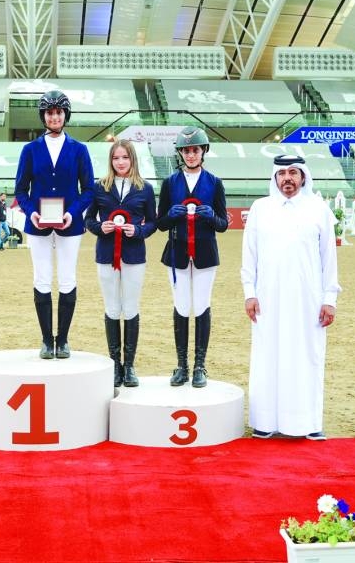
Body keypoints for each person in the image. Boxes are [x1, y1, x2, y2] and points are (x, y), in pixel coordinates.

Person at [241, 154, 340, 441]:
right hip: (267, 299)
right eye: (282, 173)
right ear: (274, 177)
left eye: (293, 173)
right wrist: (250, 293)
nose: (288, 178)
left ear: (303, 177)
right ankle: (265, 422)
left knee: (306, 356)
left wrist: (329, 298)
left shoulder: (318, 209)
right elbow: (250, 255)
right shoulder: (260, 209)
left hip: (308, 300)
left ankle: (308, 423)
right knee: (267, 355)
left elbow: (328, 259)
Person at [15, 89, 95, 360]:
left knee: (67, 278)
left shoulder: (79, 150)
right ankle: (47, 339)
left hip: (69, 225)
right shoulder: (30, 150)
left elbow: (89, 190)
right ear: (44, 116)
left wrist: (73, 213)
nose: (54, 116)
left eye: (59, 112)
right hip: (38, 224)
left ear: (65, 115)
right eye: (50, 112)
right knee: (42, 278)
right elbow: (20, 190)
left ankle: (64, 339)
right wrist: (31, 212)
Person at [156, 126, 228, 388]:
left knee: (201, 305)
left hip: (205, 253)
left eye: (195, 150)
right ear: (180, 154)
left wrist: (211, 216)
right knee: (181, 306)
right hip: (177, 252)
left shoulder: (215, 183)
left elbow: (223, 224)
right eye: (186, 151)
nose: (190, 155)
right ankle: (181, 365)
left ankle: (200, 365)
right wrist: (172, 215)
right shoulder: (169, 183)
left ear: (203, 152)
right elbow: (160, 223)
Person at [84, 139, 156, 387]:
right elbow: (89, 219)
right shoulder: (100, 187)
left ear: (132, 159)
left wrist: (137, 230)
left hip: (134, 256)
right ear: (111, 160)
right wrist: (99, 227)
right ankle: (115, 365)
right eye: (116, 158)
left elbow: (153, 223)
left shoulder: (144, 188)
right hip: (106, 255)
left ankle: (130, 367)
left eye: (125, 157)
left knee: (131, 307)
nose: (120, 162)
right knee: (113, 308)